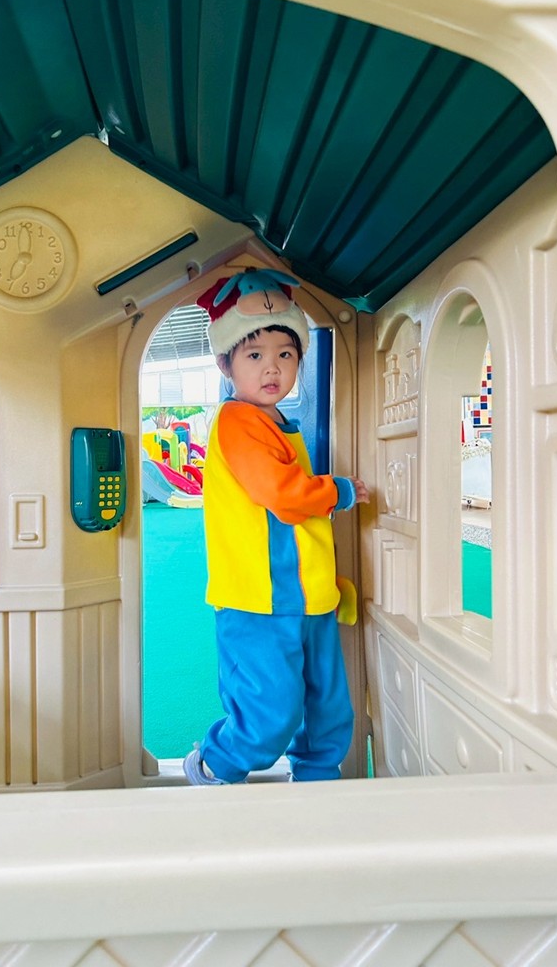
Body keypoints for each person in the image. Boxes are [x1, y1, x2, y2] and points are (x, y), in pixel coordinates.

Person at [183, 267, 370, 786]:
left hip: (306, 594)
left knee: (327, 706)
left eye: (286, 354)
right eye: (254, 355)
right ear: (225, 363)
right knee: (270, 709)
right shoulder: (237, 421)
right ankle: (214, 765)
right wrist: (339, 490)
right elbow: (284, 497)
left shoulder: (277, 423)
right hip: (259, 598)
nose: (272, 367)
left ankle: (317, 779)